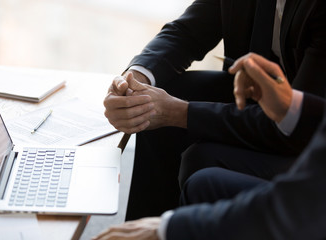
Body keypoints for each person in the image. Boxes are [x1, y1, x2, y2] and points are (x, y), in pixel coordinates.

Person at [104, 0, 326, 220]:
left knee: (200, 157)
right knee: (154, 100)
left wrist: (180, 113)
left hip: (308, 133)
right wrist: (135, 79)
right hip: (253, 94)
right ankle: (140, 232)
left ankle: (172, 230)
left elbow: (301, 124)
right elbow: (188, 32)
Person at [94, 53, 326, 240]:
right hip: (306, 114)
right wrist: (290, 107)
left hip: (304, 153)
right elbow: (190, 27)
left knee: (204, 177)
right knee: (155, 102)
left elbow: (304, 201)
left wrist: (168, 228)